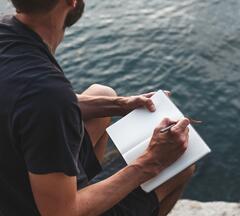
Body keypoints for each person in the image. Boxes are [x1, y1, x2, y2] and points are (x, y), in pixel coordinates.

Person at [0, 0, 195, 215]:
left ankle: (86, 190)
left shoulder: (7, 35)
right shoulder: (48, 93)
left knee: (103, 94)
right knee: (180, 165)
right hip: (47, 207)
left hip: (12, 179)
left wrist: (120, 104)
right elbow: (61, 213)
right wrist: (150, 162)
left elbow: (26, 102)